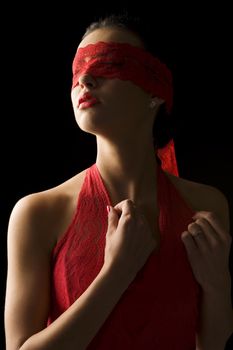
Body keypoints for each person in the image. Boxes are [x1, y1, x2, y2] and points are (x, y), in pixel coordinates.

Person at [4, 13, 233, 350]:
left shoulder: (206, 207)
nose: (85, 79)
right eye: (78, 69)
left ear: (156, 88)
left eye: (109, 64)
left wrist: (217, 284)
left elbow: (211, 343)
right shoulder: (37, 212)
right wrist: (115, 274)